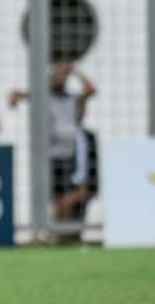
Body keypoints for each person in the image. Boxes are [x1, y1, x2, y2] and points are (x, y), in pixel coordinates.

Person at [9, 62, 97, 242]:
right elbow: (19, 94)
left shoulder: (72, 98)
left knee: (73, 195)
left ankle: (59, 232)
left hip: (71, 155)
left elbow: (90, 90)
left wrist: (75, 71)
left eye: (61, 76)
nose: (58, 78)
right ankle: (56, 231)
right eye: (55, 76)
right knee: (56, 198)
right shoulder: (44, 97)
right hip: (51, 156)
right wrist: (15, 98)